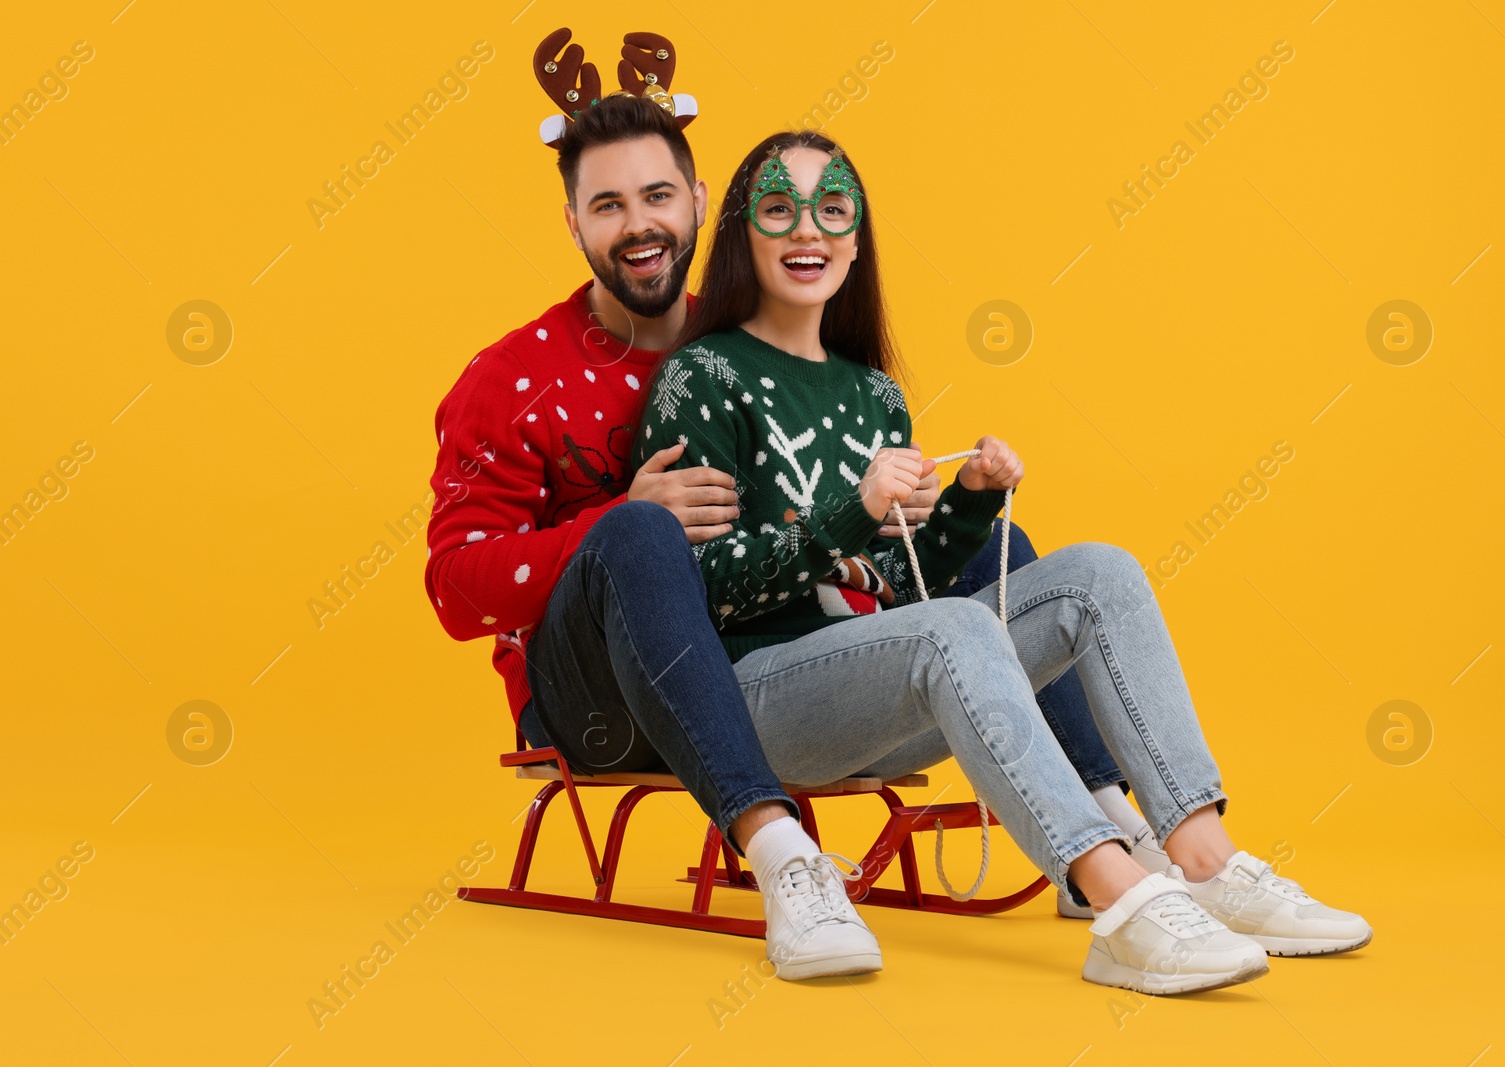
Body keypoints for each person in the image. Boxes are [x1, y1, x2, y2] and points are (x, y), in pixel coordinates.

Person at [637, 129, 1374, 994]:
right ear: (742, 234)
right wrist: (852, 509)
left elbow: (903, 587)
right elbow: (693, 595)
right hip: (757, 699)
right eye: (779, 210)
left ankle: (1206, 859)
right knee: (953, 625)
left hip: (872, 691)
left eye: (833, 210)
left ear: (857, 234)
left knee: (1100, 571)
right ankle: (1121, 905)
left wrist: (971, 500)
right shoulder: (702, 375)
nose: (810, 231)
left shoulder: (874, 393)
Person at [423, 29, 1093, 981]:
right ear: (573, 223)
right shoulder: (511, 379)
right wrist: (613, 522)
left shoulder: (751, 342)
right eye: (606, 205)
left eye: (657, 196)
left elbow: (831, 517)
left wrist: (918, 506)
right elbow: (453, 590)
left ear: (701, 205)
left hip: (778, 658)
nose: (638, 224)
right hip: (601, 704)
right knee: (641, 527)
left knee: (1000, 544)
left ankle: (1104, 826)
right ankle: (780, 852)